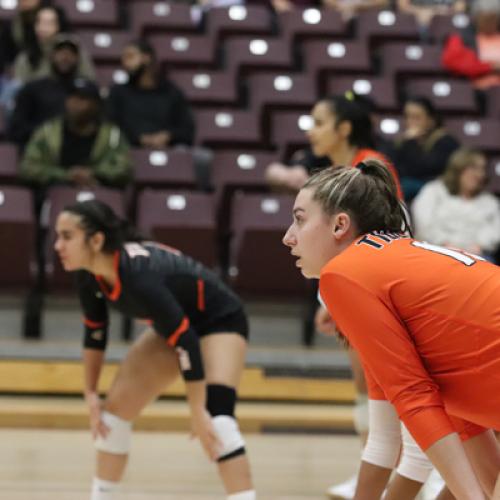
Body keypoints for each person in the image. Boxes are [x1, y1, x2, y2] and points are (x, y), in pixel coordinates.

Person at [283, 159, 500, 499]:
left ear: (340, 225)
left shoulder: (344, 274)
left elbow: (414, 399)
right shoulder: (396, 267)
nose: (288, 237)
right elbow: (476, 448)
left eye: (299, 219)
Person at [54, 199, 256, 500]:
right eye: (58, 236)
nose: (58, 245)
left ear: (96, 240)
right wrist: (91, 393)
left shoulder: (138, 274)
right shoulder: (89, 274)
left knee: (217, 421)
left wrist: (197, 410)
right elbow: (95, 333)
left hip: (219, 321)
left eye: (67, 236)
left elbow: (187, 341)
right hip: (176, 326)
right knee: (114, 415)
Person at [19, 77, 131, 190]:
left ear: (96, 105)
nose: (75, 103)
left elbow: (124, 168)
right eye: (71, 97)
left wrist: (93, 173)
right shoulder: (47, 132)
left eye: (82, 98)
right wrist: (66, 175)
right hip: (55, 195)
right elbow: (28, 167)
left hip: (99, 196)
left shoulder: (112, 136)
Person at [412, 147, 500, 259]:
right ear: (458, 169)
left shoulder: (490, 202)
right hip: (436, 251)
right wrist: (445, 244)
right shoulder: (433, 191)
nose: (479, 174)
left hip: (476, 256)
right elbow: (424, 224)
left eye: (482, 169)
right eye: (473, 168)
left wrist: (479, 245)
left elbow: (495, 231)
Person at [107, 40, 195, 149]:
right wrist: (138, 138)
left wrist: (167, 136)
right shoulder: (118, 92)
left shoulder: (171, 92)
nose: (124, 62)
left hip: (168, 149)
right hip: (129, 148)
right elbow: (111, 126)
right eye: (123, 58)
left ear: (147, 58)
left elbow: (187, 129)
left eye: (130, 56)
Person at [8, 34, 86, 148]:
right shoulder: (32, 89)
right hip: (39, 152)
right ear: (51, 56)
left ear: (77, 58)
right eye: (61, 52)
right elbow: (17, 129)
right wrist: (46, 134)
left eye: (71, 53)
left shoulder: (86, 91)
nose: (65, 57)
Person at [390, 96, 459, 201]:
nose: (410, 122)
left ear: (431, 120)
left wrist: (410, 143)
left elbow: (421, 169)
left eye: (416, 117)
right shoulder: (402, 142)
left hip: (437, 190)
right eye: (407, 117)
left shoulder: (445, 141)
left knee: (405, 185)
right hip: (410, 188)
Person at [12, 5, 95, 83]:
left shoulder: (74, 50)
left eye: (49, 23)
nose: (43, 27)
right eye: (39, 22)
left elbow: (88, 81)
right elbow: (18, 89)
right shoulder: (26, 56)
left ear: (59, 25)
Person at [442, 0, 500, 90]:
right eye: (485, 18)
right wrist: (490, 66)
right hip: (476, 91)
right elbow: (453, 61)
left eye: (493, 18)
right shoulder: (462, 37)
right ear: (476, 17)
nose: (489, 22)